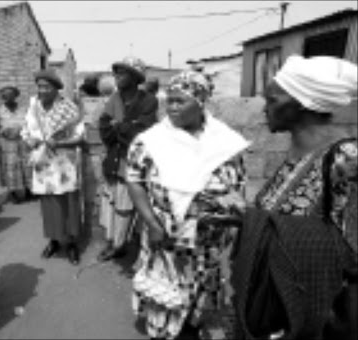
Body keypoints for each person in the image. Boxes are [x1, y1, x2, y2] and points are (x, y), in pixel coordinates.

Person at [235, 55, 357, 340]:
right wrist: (245, 219)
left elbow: (350, 250)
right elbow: (285, 221)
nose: (264, 109)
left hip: (314, 318)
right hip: (274, 310)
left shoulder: (345, 159)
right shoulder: (295, 157)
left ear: (303, 104)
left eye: (273, 100)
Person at [127, 69, 249, 340]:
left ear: (201, 102)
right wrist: (151, 223)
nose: (171, 107)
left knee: (201, 299)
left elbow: (238, 186)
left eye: (180, 101)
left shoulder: (225, 141)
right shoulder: (150, 141)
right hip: (165, 239)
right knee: (166, 299)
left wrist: (230, 212)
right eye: (168, 100)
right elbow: (134, 181)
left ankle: (194, 326)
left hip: (208, 244)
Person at [21, 69, 85, 265]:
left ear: (57, 89)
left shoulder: (69, 108)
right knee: (49, 204)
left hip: (64, 164)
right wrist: (29, 140)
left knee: (69, 203)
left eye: (46, 87)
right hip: (43, 164)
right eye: (39, 86)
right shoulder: (33, 107)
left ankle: (72, 243)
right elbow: (25, 129)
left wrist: (61, 144)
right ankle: (54, 240)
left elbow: (80, 137)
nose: (42, 90)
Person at [97, 56, 158, 262]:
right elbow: (104, 129)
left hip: (132, 163)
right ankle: (114, 241)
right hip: (114, 159)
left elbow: (140, 134)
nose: (117, 77)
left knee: (127, 205)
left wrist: (119, 126)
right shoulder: (114, 99)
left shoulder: (148, 100)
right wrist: (124, 126)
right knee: (112, 203)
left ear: (134, 77)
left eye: (122, 73)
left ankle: (121, 244)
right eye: (116, 73)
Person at [0, 85, 32, 203]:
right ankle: (13, 192)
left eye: (10, 94)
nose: (6, 96)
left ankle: (28, 190)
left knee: (26, 166)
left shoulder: (24, 109)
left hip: (22, 141)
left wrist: (20, 130)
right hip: (7, 144)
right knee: (11, 167)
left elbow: (30, 125)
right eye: (4, 95)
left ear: (15, 95)